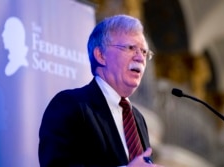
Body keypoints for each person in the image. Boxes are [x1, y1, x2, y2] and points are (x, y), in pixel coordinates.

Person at [39, 14, 164, 167]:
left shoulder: (138, 119)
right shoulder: (69, 104)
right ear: (101, 55)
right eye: (131, 48)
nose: (140, 58)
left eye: (144, 52)